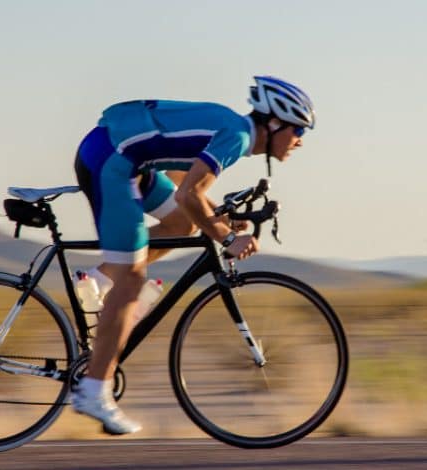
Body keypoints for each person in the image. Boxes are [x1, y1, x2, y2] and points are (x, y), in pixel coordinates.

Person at [71, 76, 316, 434]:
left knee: (181, 225)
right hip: (112, 161)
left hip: (125, 157)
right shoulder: (238, 136)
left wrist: (220, 218)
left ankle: (98, 281)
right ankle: (94, 391)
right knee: (133, 281)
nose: (299, 142)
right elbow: (189, 193)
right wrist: (226, 236)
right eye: (299, 132)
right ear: (275, 124)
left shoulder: (232, 128)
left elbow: (183, 186)